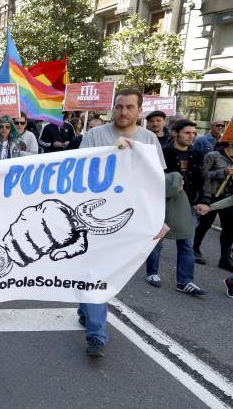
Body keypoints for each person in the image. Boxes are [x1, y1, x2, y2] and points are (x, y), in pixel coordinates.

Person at [78, 89, 169, 357]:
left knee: (105, 272)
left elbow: (155, 182)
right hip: (96, 215)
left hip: (131, 217)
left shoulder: (149, 139)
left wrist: (159, 219)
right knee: (97, 271)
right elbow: (79, 169)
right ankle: (97, 333)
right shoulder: (96, 135)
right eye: (119, 107)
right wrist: (109, 155)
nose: (123, 112)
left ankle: (86, 309)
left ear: (139, 111)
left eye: (129, 107)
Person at [146, 119, 207, 296]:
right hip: (163, 201)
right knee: (158, 240)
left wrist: (204, 201)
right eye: (187, 133)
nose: (192, 136)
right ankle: (152, 273)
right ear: (175, 133)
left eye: (194, 133)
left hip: (188, 203)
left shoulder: (197, 154)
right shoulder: (162, 152)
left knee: (187, 243)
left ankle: (185, 281)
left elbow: (203, 180)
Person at [195, 140, 233, 271]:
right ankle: (195, 248)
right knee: (205, 223)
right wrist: (222, 173)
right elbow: (202, 175)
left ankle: (225, 258)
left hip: (227, 197)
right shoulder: (213, 155)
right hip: (211, 195)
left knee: (229, 228)